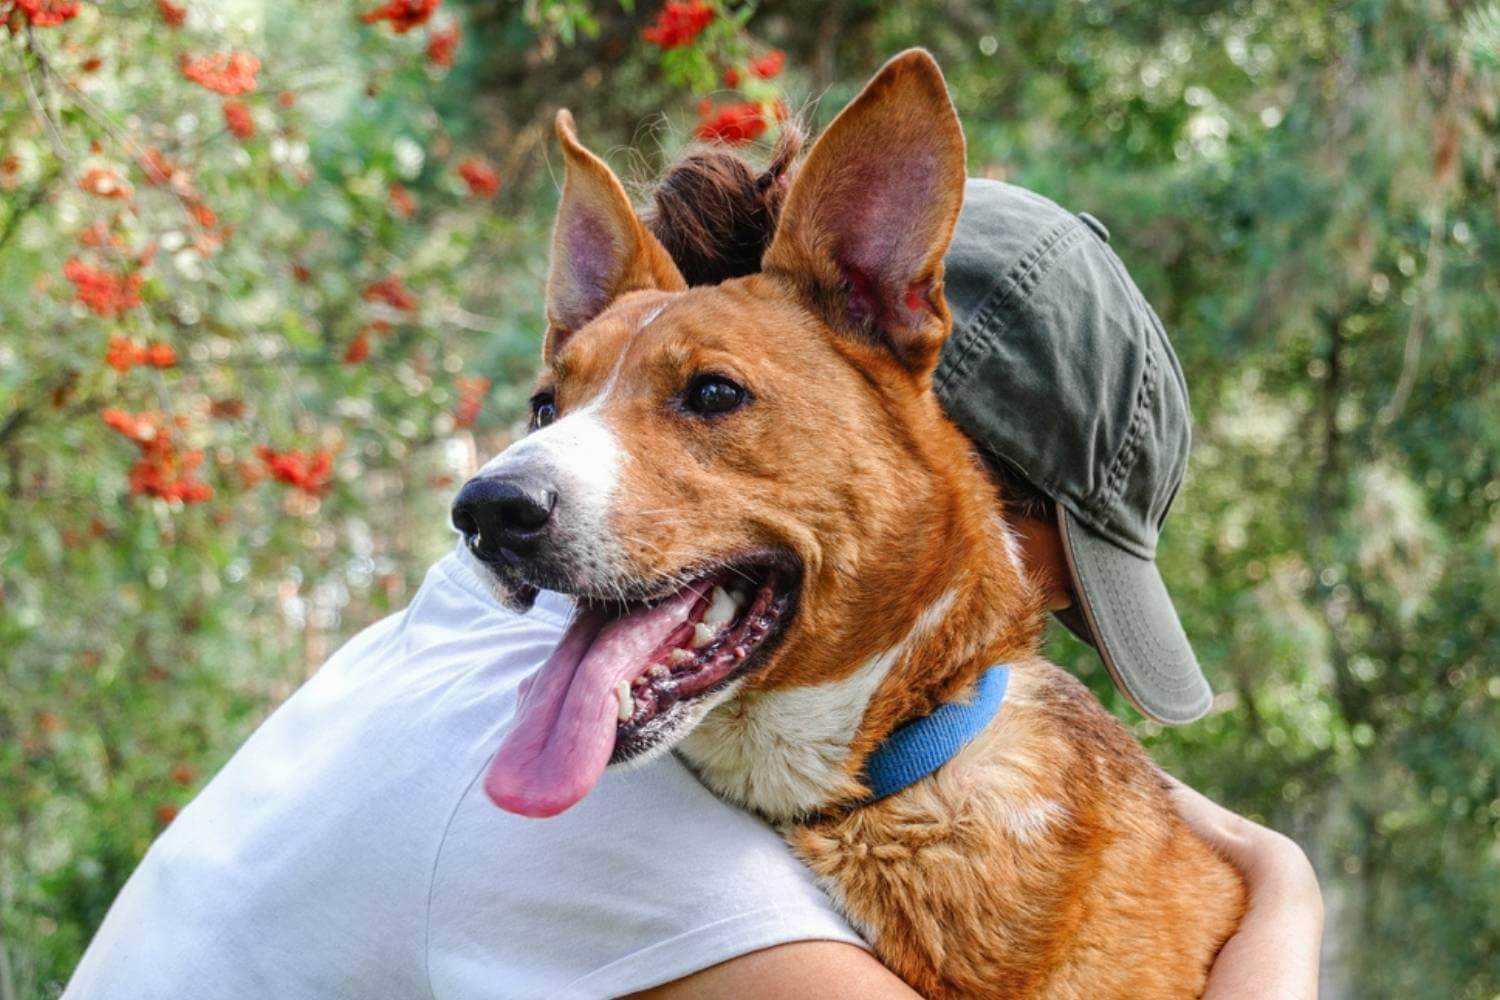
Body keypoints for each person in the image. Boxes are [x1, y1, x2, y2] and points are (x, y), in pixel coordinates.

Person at [65, 138, 1321, 1000]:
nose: (1021, 623)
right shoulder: (592, 824)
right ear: (929, 451)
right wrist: (1287, 887)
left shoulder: (482, 643)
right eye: (1046, 569)